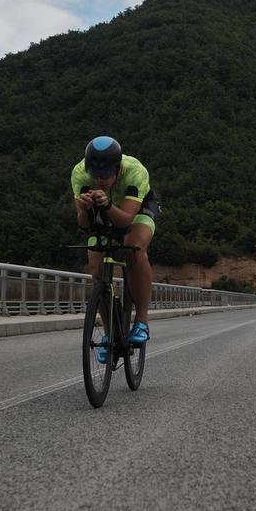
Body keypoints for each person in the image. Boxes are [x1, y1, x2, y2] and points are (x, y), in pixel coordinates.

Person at [72, 136, 160, 358]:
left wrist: (108, 204)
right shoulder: (80, 173)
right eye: (96, 175)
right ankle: (110, 333)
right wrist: (83, 210)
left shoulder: (135, 171)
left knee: (134, 248)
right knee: (96, 269)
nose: (100, 180)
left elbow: (126, 221)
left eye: (106, 175)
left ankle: (141, 320)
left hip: (137, 210)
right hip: (104, 209)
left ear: (118, 168)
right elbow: (84, 225)